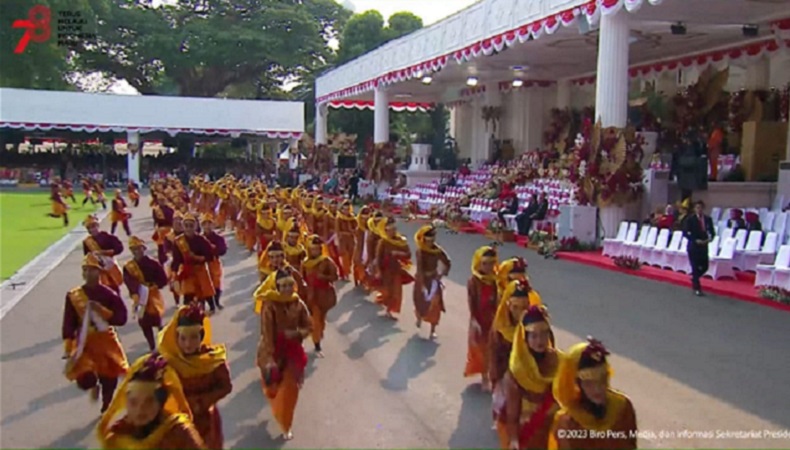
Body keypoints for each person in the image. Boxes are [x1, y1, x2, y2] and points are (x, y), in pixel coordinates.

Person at [158, 303, 232, 449]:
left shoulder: (212, 360)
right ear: (176, 337)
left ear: (202, 337)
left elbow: (226, 386)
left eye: (194, 337)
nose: (188, 344)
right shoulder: (168, 363)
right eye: (183, 338)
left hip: (205, 419)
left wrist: (201, 403)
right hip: (177, 422)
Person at [96, 353, 206, 449]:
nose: (140, 409)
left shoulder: (178, 433)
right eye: (133, 402)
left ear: (161, 403)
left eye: (149, 402)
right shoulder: (118, 436)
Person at [63, 254, 129, 413]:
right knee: (84, 375)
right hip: (85, 341)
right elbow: (69, 321)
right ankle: (93, 386)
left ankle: (107, 403)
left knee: (109, 376)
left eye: (91, 270)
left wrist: (101, 310)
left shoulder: (109, 294)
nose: (87, 273)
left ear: (99, 272)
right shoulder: (74, 295)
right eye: (85, 270)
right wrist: (68, 345)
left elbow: (121, 318)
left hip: (106, 339)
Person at [549, 338, 637, 450]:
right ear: (577, 384)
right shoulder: (568, 422)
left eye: (602, 379)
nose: (598, 389)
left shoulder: (622, 408)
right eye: (589, 383)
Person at [255, 269, 313, 440]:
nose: (287, 289)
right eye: (283, 286)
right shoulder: (270, 305)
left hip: (293, 353)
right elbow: (266, 332)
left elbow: (309, 326)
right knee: (274, 388)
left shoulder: (298, 303)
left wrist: (296, 334)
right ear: (276, 286)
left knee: (290, 389)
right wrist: (270, 357)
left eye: (290, 285)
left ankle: (286, 424)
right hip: (273, 351)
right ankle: (277, 406)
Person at [497, 302, 560, 450]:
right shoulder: (517, 372)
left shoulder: (559, 361)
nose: (540, 341)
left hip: (554, 431)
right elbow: (512, 414)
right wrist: (513, 440)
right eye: (534, 336)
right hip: (529, 432)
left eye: (544, 334)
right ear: (525, 338)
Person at [123, 236, 168, 351]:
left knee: (156, 317)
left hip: (152, 295)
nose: (137, 252)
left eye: (138, 249)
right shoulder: (129, 267)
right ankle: (151, 345)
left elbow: (162, 278)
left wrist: (156, 284)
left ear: (143, 249)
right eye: (134, 249)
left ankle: (163, 342)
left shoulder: (153, 263)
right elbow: (129, 281)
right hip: (140, 296)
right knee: (144, 322)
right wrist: (134, 292)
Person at [465, 246, 499, 391]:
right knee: (482, 349)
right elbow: (472, 301)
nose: (489, 267)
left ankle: (494, 376)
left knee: (495, 349)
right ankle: (484, 377)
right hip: (480, 319)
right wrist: (474, 320)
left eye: (491, 263)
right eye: (485, 263)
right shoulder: (474, 281)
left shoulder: (496, 280)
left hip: (494, 319)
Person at [302, 235, 339, 357]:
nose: (315, 251)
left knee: (321, 321)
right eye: (313, 249)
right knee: (315, 320)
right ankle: (317, 344)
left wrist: (324, 278)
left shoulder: (327, 262)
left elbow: (335, 277)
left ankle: (317, 335)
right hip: (311, 296)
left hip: (323, 295)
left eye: (317, 249)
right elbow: (302, 279)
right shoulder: (305, 263)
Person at [413, 225, 451, 339]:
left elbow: (447, 261)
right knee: (421, 302)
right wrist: (422, 283)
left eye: (432, 240)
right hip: (422, 279)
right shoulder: (420, 251)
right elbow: (420, 268)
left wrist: (442, 273)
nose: (430, 243)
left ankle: (433, 329)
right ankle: (419, 317)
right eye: (428, 241)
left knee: (435, 305)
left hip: (433, 279)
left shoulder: (437, 250)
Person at [171, 213, 217, 308]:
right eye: (186, 225)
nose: (188, 228)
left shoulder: (201, 240)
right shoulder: (179, 241)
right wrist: (174, 274)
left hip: (200, 269)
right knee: (188, 292)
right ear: (183, 227)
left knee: (205, 289)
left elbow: (210, 255)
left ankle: (211, 306)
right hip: (187, 270)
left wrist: (198, 257)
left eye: (191, 226)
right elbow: (176, 260)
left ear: (195, 226)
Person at [373, 217, 414, 320]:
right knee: (386, 291)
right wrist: (378, 271)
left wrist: (398, 253)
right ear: (386, 230)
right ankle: (382, 300)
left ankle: (389, 311)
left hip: (396, 271)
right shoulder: (382, 242)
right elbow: (378, 257)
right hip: (386, 271)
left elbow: (408, 254)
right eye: (390, 230)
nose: (393, 231)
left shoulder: (401, 241)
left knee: (396, 292)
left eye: (394, 229)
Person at [82, 215, 125, 294]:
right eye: (89, 228)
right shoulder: (87, 242)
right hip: (97, 270)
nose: (92, 229)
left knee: (114, 288)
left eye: (93, 226)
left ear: (97, 226)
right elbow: (86, 257)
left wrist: (103, 253)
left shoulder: (108, 237)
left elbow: (119, 248)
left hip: (110, 266)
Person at [683, 200, 715, 297]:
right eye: (697, 208)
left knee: (705, 266)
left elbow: (712, 232)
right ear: (694, 209)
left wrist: (709, 239)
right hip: (694, 246)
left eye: (700, 208)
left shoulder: (708, 219)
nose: (699, 210)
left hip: (704, 245)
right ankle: (697, 288)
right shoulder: (690, 219)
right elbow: (686, 233)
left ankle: (694, 278)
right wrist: (694, 240)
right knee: (695, 266)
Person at [201, 213, 227, 311]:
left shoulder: (218, 238)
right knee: (205, 284)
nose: (207, 226)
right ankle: (210, 305)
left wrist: (214, 249)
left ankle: (217, 301)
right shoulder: (199, 238)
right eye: (205, 224)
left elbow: (223, 250)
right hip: (203, 263)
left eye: (209, 224)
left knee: (216, 282)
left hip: (214, 262)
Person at [335, 200, 357, 279]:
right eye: (344, 209)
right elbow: (338, 231)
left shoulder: (352, 218)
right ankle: (346, 273)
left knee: (351, 256)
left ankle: (347, 270)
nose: (346, 211)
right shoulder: (339, 218)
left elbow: (356, 228)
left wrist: (353, 231)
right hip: (343, 240)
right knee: (345, 257)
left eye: (348, 209)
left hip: (351, 240)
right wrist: (346, 233)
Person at [352, 206, 372, 288]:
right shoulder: (359, 229)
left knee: (368, 266)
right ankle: (359, 279)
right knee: (358, 264)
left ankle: (365, 280)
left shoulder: (372, 229)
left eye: (367, 219)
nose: (365, 221)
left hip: (368, 249)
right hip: (360, 250)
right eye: (363, 219)